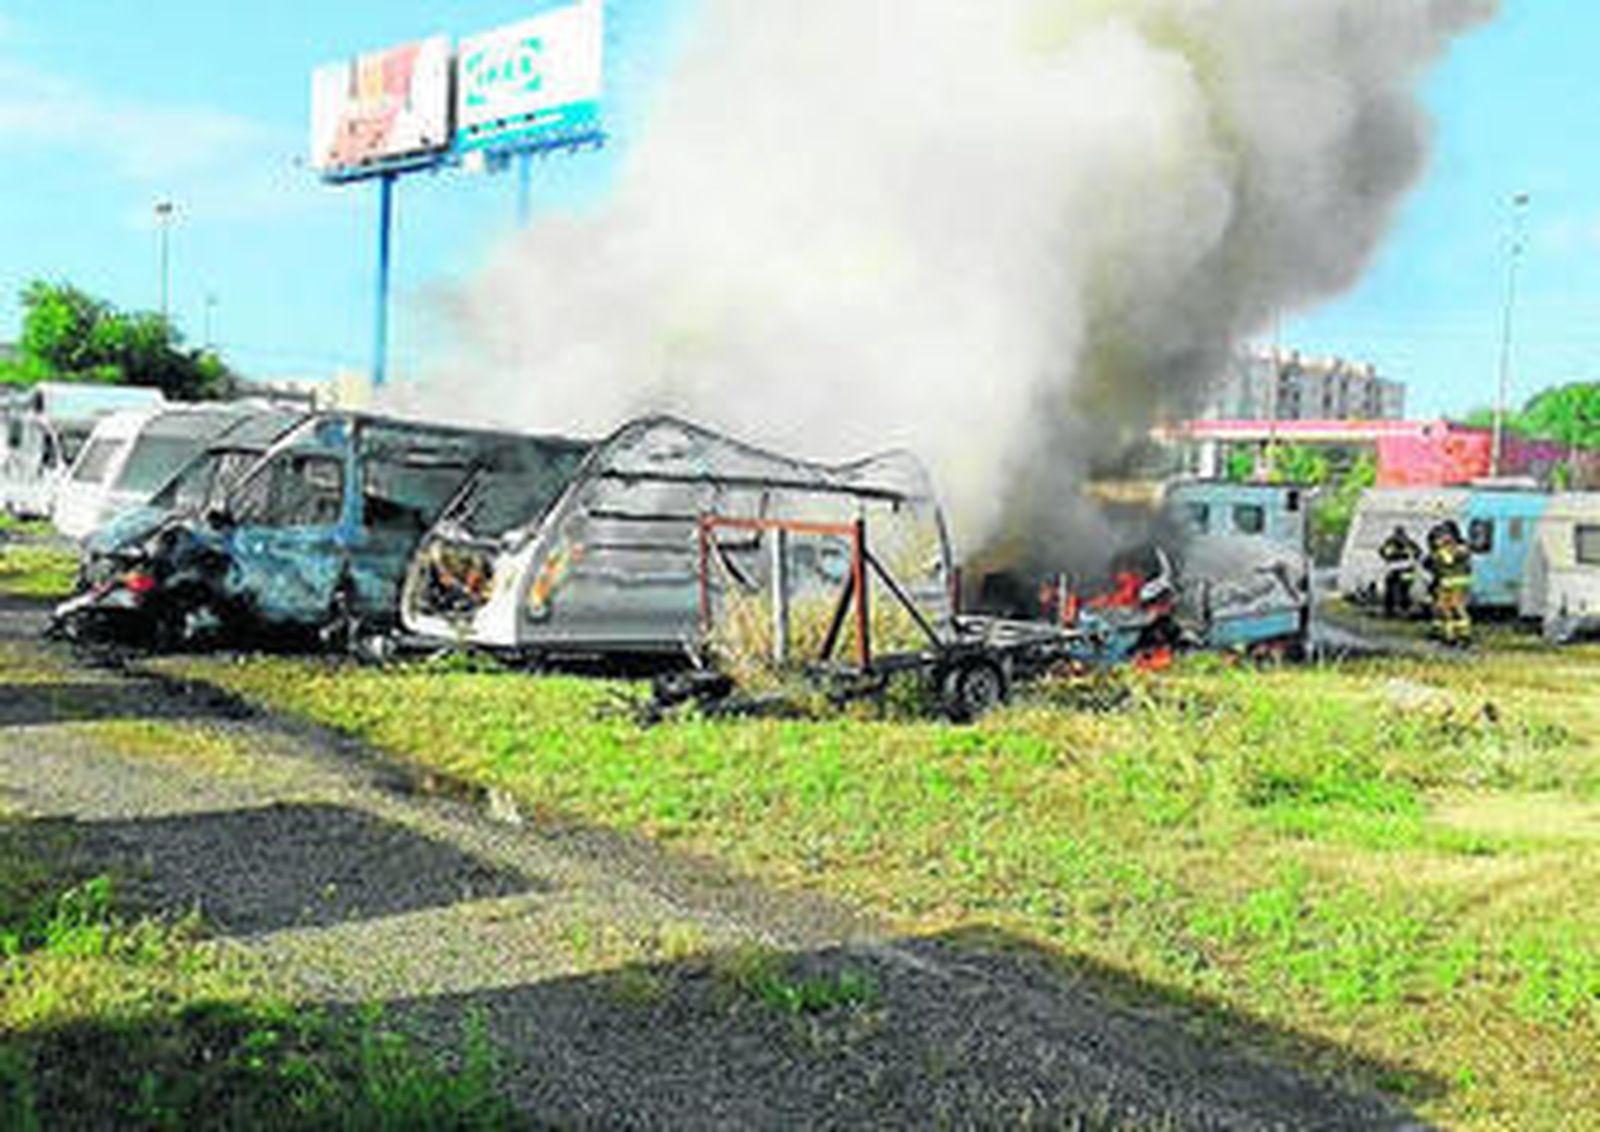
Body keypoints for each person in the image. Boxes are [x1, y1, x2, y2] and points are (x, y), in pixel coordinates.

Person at [1424, 521, 1473, 646]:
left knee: (1453, 609)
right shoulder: (1461, 548)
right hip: (1452, 583)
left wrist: (1436, 553)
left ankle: (1457, 636)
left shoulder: (1450, 550)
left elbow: (1443, 561)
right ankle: (1454, 635)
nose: (1441, 538)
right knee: (1448, 610)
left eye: (1444, 535)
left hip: (1451, 583)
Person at [1377, 525, 1423, 618]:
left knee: (1391, 589)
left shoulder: (1391, 541)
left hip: (1395, 569)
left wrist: (1390, 556)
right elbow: (1419, 552)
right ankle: (1403, 609)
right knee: (1403, 590)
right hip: (1407, 568)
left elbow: (1382, 552)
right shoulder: (1409, 542)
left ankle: (1390, 609)